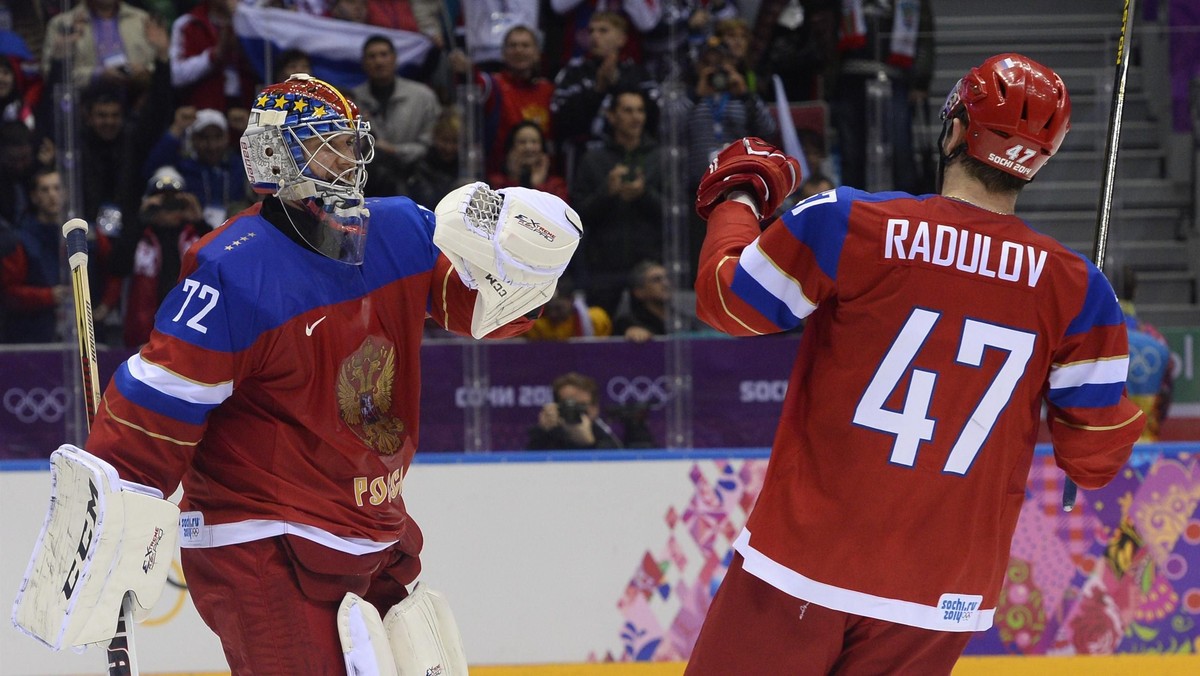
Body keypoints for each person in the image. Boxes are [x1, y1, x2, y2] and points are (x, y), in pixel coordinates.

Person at [37, 73, 573, 672]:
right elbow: (154, 410)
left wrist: (523, 270)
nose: (350, 157)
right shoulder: (232, 272)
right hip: (261, 540)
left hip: (371, 526)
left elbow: (483, 310)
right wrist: (110, 527)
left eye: (351, 141)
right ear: (276, 155)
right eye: (329, 142)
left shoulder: (398, 227)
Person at [685, 54, 1144, 674]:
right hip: (941, 596)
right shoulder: (1079, 289)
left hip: (807, 563)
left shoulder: (851, 222)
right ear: (1040, 160)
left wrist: (738, 194)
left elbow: (728, 302)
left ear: (954, 130)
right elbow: (1094, 460)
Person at [572, 88, 663, 314]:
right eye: (628, 110)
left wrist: (644, 194)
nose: (636, 117)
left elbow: (675, 213)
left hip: (649, 265)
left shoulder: (660, 158)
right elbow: (577, 217)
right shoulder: (593, 160)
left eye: (640, 111)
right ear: (611, 116)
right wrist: (607, 192)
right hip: (604, 269)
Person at [831, 0, 934, 192]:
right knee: (852, 151)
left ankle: (906, 204)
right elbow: (827, 31)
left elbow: (925, 36)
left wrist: (921, 80)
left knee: (900, 149)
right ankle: (852, 204)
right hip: (851, 78)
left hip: (896, 78)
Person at [551, 11, 660, 172]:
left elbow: (653, 118)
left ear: (622, 39)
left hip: (633, 158)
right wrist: (598, 89)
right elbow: (561, 121)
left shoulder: (639, 74)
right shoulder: (572, 73)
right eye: (591, 31)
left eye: (603, 30)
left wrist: (618, 84)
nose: (595, 36)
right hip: (583, 159)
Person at [120, 166, 208, 348]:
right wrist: (141, 219)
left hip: (190, 337)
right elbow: (117, 266)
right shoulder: (140, 236)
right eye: (161, 201)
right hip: (143, 338)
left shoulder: (196, 235)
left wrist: (199, 221)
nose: (167, 209)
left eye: (174, 202)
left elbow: (221, 263)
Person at [350, 34, 442, 196]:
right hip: (370, 186)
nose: (378, 62)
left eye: (384, 55)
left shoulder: (423, 97)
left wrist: (394, 150)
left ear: (395, 59)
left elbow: (435, 145)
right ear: (363, 63)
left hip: (419, 181)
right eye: (372, 56)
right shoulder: (352, 101)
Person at [527, 371, 653, 450]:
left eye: (581, 405)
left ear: (594, 408)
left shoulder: (604, 433)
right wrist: (543, 433)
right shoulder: (548, 433)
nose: (574, 411)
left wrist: (589, 443)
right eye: (568, 404)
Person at [487, 120, 569, 202]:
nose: (529, 147)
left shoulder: (557, 185)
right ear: (511, 147)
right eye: (522, 142)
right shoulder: (496, 183)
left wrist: (538, 185)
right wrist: (513, 178)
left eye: (534, 142)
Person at [523, 278, 612, 341]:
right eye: (549, 309)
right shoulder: (533, 324)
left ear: (571, 300)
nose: (553, 314)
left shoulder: (596, 320)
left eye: (558, 308)